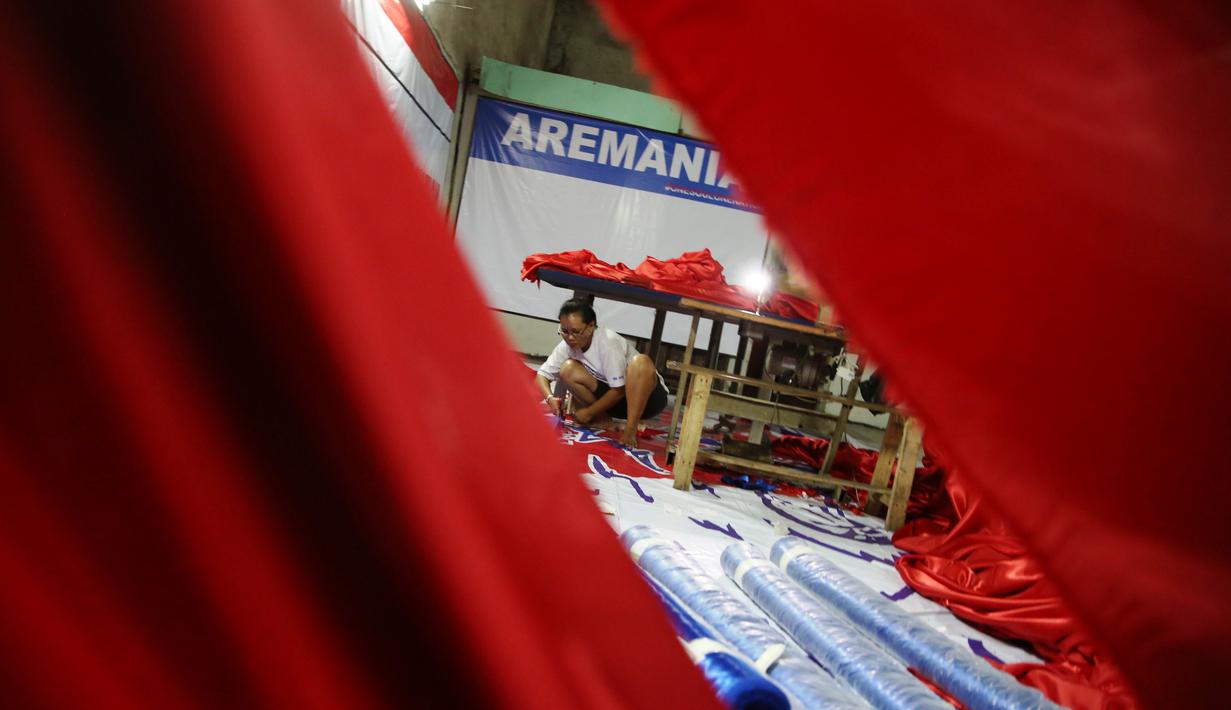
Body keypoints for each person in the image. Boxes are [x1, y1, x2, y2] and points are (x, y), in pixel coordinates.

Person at [535, 295, 669, 447]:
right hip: (613, 402)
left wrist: (589, 412)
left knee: (641, 363)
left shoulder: (607, 343)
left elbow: (618, 390)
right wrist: (550, 398)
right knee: (568, 369)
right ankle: (602, 419)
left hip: (647, 400)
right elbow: (541, 376)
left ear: (591, 327)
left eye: (576, 331)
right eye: (564, 331)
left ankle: (630, 429)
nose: (570, 337)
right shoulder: (566, 345)